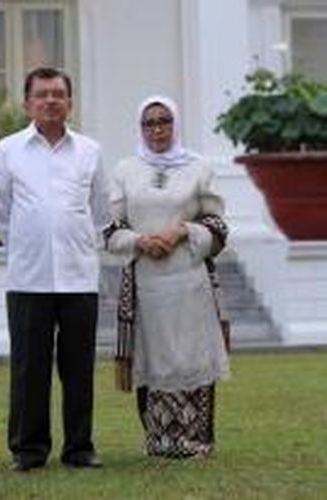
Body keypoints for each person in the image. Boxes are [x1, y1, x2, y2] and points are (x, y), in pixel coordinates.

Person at [0, 67, 110, 471]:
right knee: (29, 368)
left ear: (70, 103)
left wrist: (77, 244)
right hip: (29, 275)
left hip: (78, 275)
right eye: (41, 94)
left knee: (78, 367)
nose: (50, 101)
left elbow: (100, 212)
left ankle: (80, 447)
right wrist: (28, 244)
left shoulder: (90, 151)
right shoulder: (9, 150)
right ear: (27, 103)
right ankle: (28, 449)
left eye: (58, 94)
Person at [104, 95, 230, 458]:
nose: (157, 129)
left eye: (164, 121)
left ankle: (196, 440)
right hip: (147, 283)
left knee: (192, 355)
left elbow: (218, 224)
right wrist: (141, 241)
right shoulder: (126, 170)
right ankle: (160, 440)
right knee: (154, 356)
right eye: (149, 123)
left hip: (189, 279)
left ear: (175, 124)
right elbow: (110, 229)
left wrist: (181, 233)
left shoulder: (199, 167)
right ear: (140, 128)